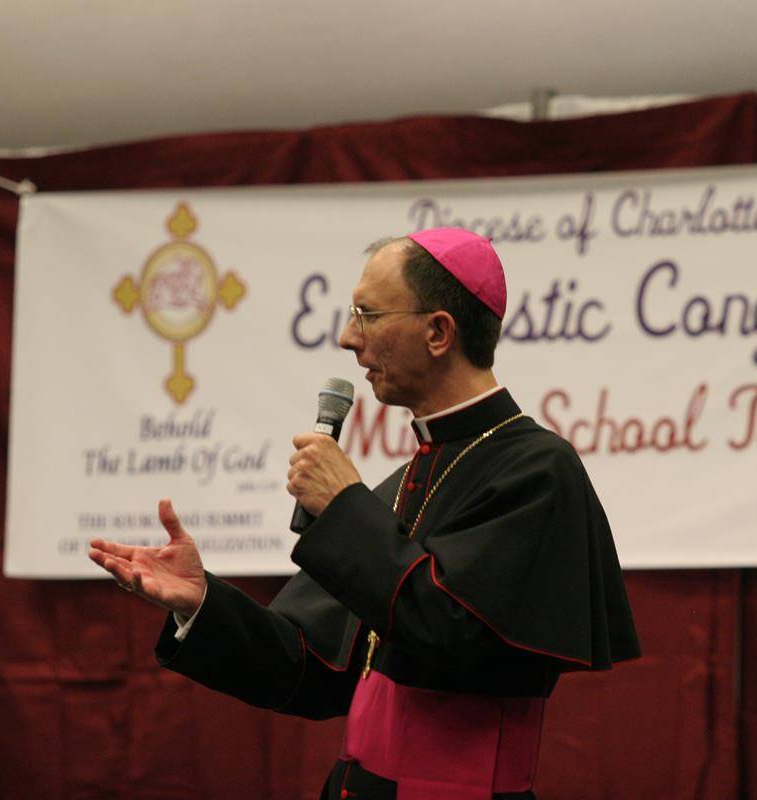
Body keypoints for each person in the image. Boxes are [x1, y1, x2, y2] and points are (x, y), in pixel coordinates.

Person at [89, 227, 640, 800]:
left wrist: (345, 505)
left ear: (438, 332)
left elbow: (453, 638)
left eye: (368, 314)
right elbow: (312, 670)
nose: (348, 338)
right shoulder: (406, 483)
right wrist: (201, 603)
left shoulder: (538, 471)